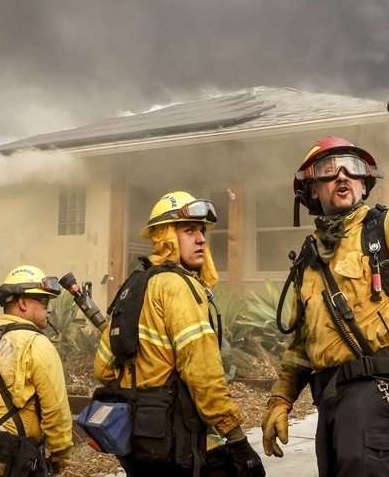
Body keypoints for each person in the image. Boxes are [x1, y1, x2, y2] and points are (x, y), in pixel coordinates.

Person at [261, 70, 389, 476]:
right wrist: (281, 402)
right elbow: (303, 345)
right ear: (311, 190)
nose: (341, 175)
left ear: (365, 182)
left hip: (378, 399)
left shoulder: (387, 229)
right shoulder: (310, 261)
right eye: (328, 169)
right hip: (333, 403)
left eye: (351, 168)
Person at [94, 191, 265, 477]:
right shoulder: (178, 287)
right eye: (189, 231)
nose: (201, 239)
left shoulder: (134, 287)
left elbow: (103, 368)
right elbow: (203, 374)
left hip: (141, 444)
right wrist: (236, 439)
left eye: (201, 231)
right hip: (183, 446)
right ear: (165, 237)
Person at [0, 265, 73, 475]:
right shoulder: (37, 344)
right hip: (15, 459)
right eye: (44, 301)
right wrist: (60, 456)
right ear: (23, 303)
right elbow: (56, 410)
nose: (49, 309)